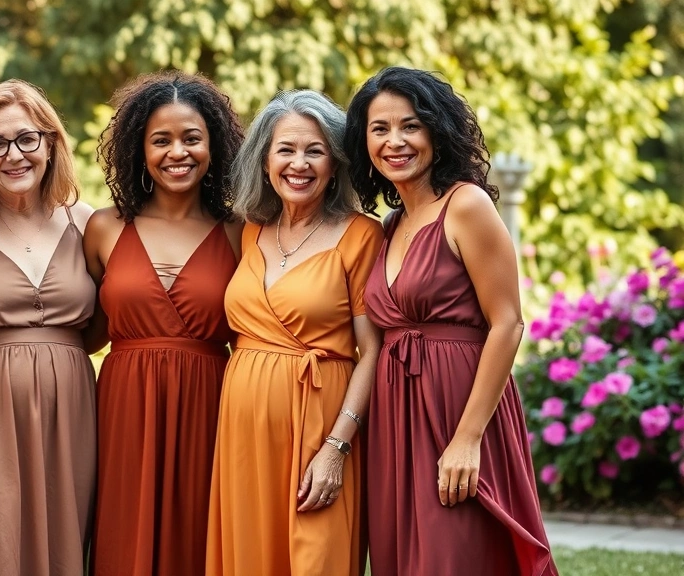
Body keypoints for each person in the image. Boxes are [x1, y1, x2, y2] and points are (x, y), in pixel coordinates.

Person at [343, 66, 558, 575]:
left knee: (456, 555)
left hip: (459, 407)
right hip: (396, 417)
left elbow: (507, 324)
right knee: (404, 558)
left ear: (437, 131)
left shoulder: (466, 205)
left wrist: (468, 438)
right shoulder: (389, 225)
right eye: (379, 129)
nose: (395, 141)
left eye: (410, 125)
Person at [204, 90, 383, 576]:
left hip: (319, 424)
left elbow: (372, 352)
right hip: (243, 430)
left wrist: (337, 447)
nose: (298, 163)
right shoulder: (247, 231)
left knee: (315, 557)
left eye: (315, 150)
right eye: (285, 150)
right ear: (264, 161)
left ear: (335, 163)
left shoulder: (361, 235)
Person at [82, 71, 245, 576]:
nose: (178, 152)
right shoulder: (104, 228)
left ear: (213, 146)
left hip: (210, 401)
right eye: (161, 140)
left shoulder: (241, 230)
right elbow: (84, 328)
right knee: (122, 537)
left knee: (198, 538)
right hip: (123, 404)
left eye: (192, 138)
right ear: (139, 150)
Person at [0, 79, 96, 576]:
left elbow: (115, 314)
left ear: (50, 144)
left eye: (27, 139)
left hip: (72, 406)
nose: (15, 155)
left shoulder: (87, 223)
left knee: (70, 530)